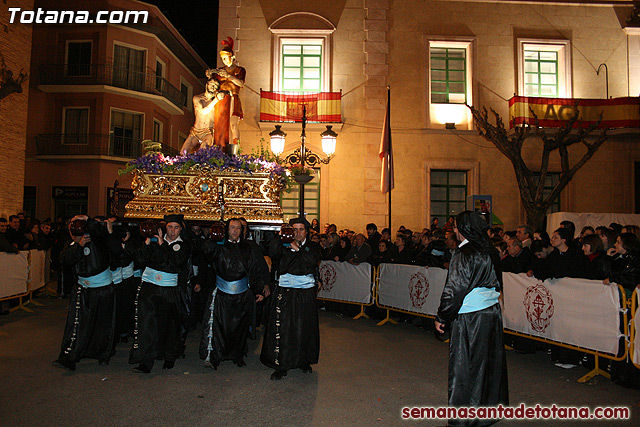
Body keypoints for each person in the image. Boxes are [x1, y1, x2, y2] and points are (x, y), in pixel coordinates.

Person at [435, 211, 508, 426]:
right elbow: (498, 281)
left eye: (456, 226)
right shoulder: (490, 250)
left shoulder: (464, 252)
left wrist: (442, 316)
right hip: (491, 313)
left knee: (465, 366)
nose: (454, 230)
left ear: (465, 228)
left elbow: (455, 288)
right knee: (488, 363)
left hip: (470, 317)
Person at [199, 218, 270, 369]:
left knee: (239, 327)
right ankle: (215, 356)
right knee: (219, 327)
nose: (235, 231)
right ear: (227, 229)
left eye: (238, 228)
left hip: (242, 294)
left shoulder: (249, 248)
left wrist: (259, 290)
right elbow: (206, 252)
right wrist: (213, 237)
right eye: (232, 227)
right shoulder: (218, 246)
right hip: (222, 295)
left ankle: (236, 355)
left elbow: (255, 270)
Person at [53, 215, 118, 370]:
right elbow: (64, 260)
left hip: (102, 289)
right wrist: (78, 245)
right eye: (72, 229)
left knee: (103, 324)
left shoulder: (97, 240)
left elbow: (100, 232)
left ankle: (103, 354)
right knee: (76, 324)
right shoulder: (72, 245)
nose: (75, 232)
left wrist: (88, 219)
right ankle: (70, 356)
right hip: (82, 289)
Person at [261, 217, 322, 380]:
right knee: (284, 328)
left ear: (307, 232)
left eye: (301, 229)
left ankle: (303, 360)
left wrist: (298, 251)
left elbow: (311, 262)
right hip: (286, 291)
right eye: (294, 230)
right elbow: (275, 256)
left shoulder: (313, 246)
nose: (298, 233)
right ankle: (282, 364)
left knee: (304, 326)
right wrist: (280, 237)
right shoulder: (283, 245)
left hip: (306, 293)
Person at [129, 214, 191, 373]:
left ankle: (169, 357)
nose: (172, 231)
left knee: (170, 325)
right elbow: (141, 260)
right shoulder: (153, 242)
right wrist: (147, 243)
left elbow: (175, 264)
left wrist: (162, 246)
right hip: (150, 289)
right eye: (170, 227)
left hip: (170, 290)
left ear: (180, 229)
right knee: (147, 324)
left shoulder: (183, 245)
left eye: (176, 228)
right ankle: (145, 360)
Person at [209, 37, 246, 147]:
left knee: (233, 124)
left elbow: (241, 83)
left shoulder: (239, 70)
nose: (224, 61)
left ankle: (236, 147)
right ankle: (217, 145)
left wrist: (229, 76)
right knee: (218, 124)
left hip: (233, 97)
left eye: (226, 58)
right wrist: (209, 75)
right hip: (221, 99)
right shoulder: (219, 71)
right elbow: (213, 85)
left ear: (232, 57)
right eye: (223, 58)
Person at [179, 78, 226, 155]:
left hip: (208, 131)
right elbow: (203, 111)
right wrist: (217, 99)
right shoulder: (198, 98)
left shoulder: (216, 102)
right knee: (183, 152)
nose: (213, 87)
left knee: (203, 150)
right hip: (195, 131)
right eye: (211, 84)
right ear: (207, 85)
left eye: (216, 86)